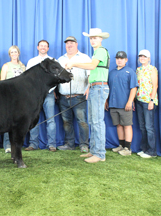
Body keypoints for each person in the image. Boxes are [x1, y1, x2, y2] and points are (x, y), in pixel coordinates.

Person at [66, 28, 110, 163]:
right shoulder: (97, 52)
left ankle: (100, 154)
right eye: (91, 38)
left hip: (99, 87)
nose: (93, 40)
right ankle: (95, 150)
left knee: (97, 122)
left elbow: (92, 66)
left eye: (95, 38)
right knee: (92, 121)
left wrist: (73, 63)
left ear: (101, 39)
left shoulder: (101, 51)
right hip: (94, 87)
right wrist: (89, 86)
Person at [57, 37, 91, 153]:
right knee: (66, 122)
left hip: (79, 96)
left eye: (71, 43)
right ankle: (69, 144)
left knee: (82, 121)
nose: (69, 45)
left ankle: (84, 145)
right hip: (63, 96)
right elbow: (56, 77)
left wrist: (89, 88)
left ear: (76, 44)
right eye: (67, 43)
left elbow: (90, 74)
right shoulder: (60, 59)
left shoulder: (84, 58)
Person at [24, 40, 58, 152]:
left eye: (45, 46)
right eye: (41, 45)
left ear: (48, 48)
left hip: (48, 94)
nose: (43, 47)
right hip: (34, 96)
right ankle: (33, 144)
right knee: (33, 120)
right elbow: (27, 78)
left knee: (51, 119)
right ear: (38, 47)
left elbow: (56, 78)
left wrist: (50, 89)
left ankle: (52, 144)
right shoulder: (32, 61)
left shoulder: (53, 61)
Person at [105, 51, 138, 156]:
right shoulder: (112, 72)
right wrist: (106, 100)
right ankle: (121, 145)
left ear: (126, 60)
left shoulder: (130, 72)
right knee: (118, 125)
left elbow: (134, 88)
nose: (119, 60)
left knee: (127, 125)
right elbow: (108, 88)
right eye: (118, 58)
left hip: (125, 104)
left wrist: (130, 102)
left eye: (122, 58)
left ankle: (128, 149)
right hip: (113, 104)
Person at [1, 46, 26, 153]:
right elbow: (2, 82)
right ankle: (7, 145)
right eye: (12, 52)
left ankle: (17, 145)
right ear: (9, 54)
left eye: (15, 52)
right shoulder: (6, 66)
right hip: (9, 98)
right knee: (8, 121)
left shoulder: (22, 67)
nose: (14, 54)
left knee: (19, 122)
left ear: (18, 53)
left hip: (21, 98)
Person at [135, 49, 158, 158]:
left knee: (149, 127)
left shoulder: (152, 69)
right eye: (140, 56)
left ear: (149, 58)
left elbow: (155, 86)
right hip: (139, 100)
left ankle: (152, 151)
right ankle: (144, 149)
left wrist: (152, 100)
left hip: (148, 101)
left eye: (144, 56)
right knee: (142, 127)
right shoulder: (138, 70)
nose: (142, 58)